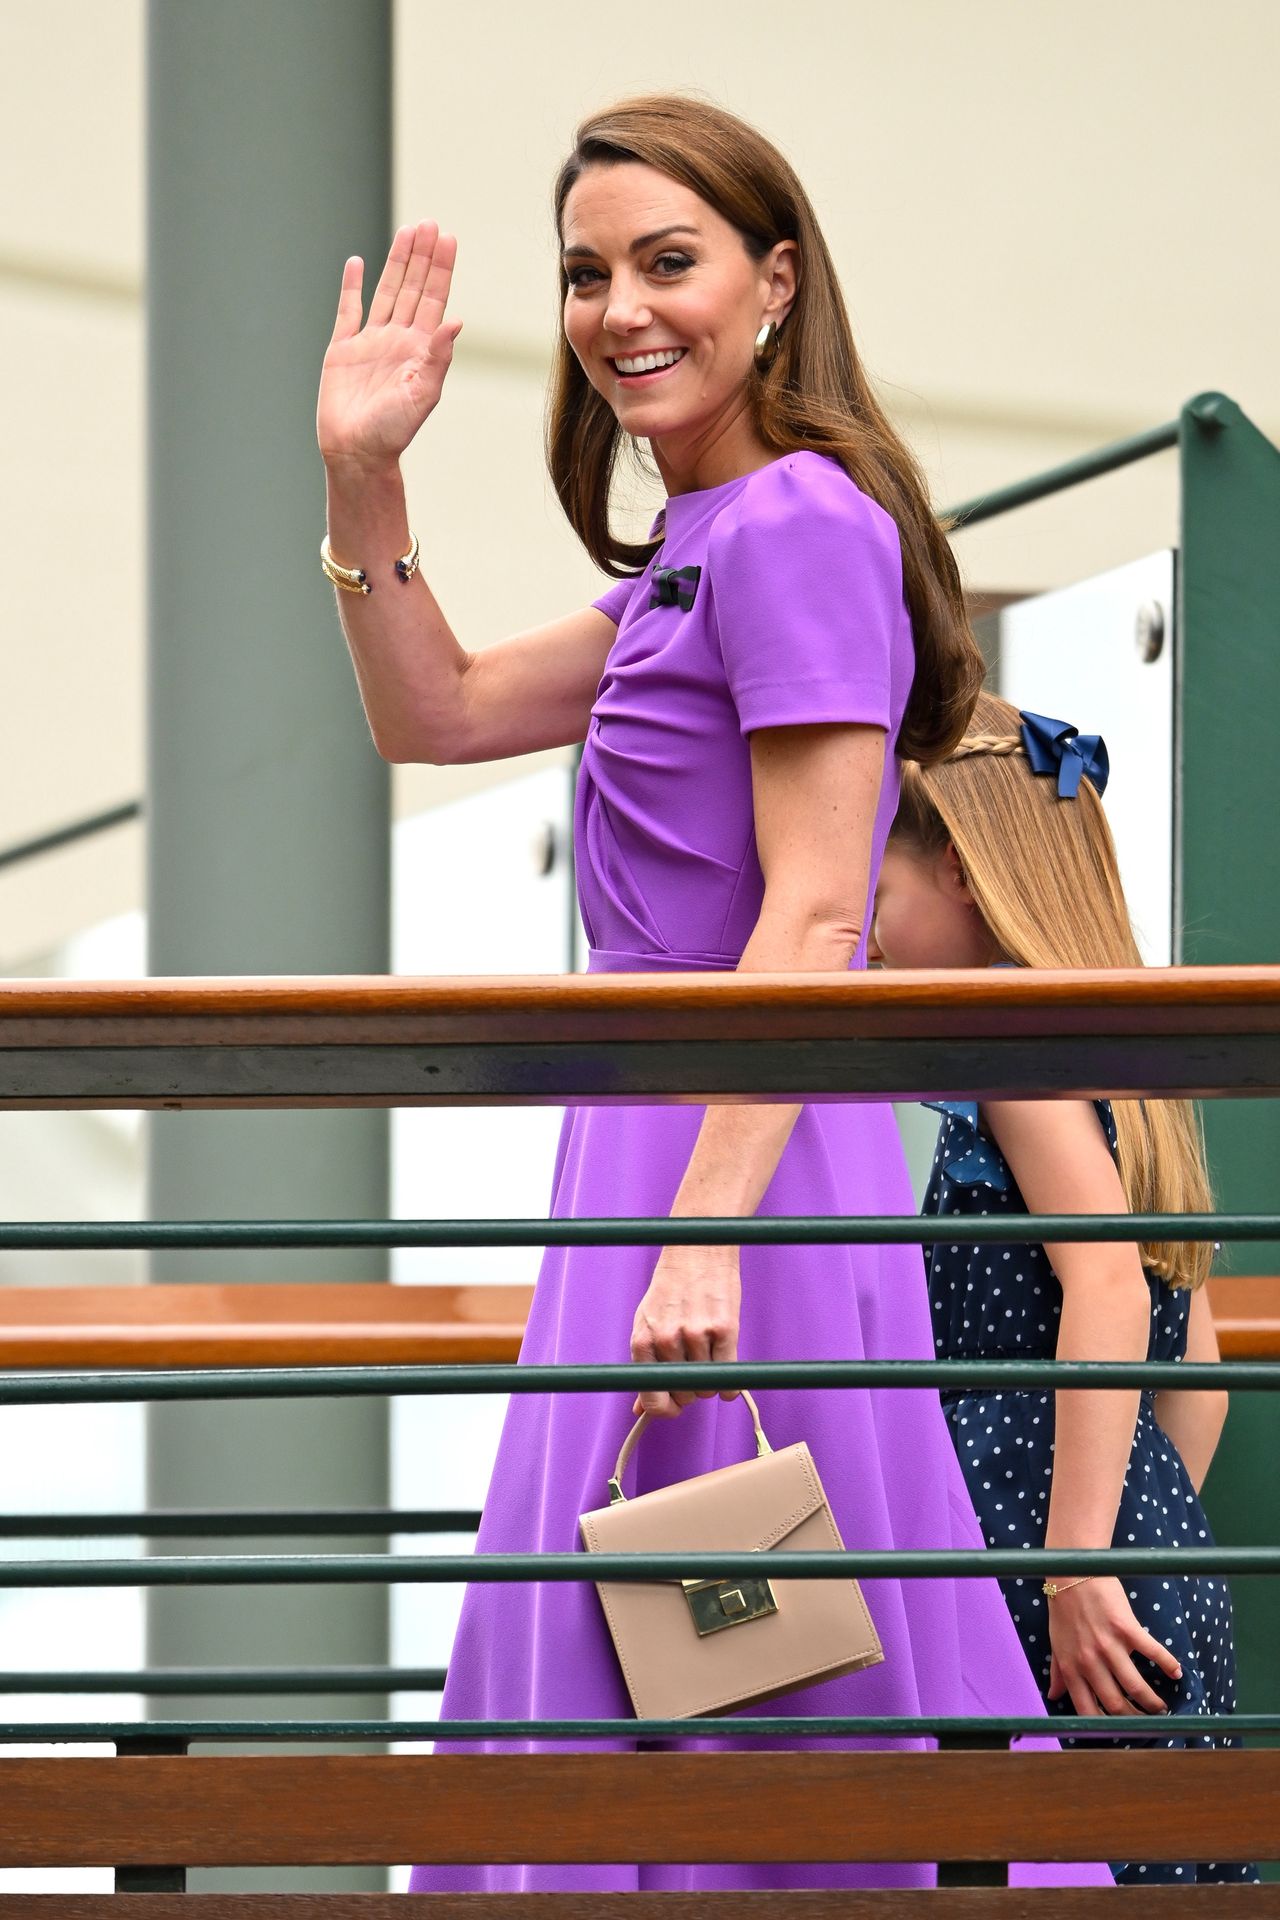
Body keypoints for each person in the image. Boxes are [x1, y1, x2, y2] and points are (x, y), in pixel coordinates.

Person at [316, 96, 1110, 1895]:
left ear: (775, 282)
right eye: (589, 273)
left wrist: (703, 1228)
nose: (621, 310)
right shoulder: (699, 544)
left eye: (668, 262)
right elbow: (427, 713)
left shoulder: (797, 527)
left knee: (740, 1626)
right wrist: (365, 476)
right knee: (686, 1605)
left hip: (737, 1154)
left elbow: (821, 909)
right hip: (670, 1142)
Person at [868, 689, 1257, 1886]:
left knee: (1029, 1868)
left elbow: (1101, 1289)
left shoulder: (1011, 1062)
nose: (862, 933)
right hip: (1147, 1551)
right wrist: (1136, 1536)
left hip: (1046, 1566)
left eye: (877, 897)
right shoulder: (1126, 1082)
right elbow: (1195, 1388)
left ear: (964, 879)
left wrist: (1075, 1563)